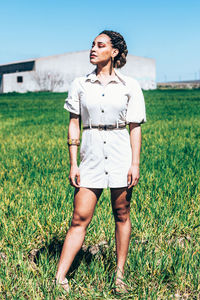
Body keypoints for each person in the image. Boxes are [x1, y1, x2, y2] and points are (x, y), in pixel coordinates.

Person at [55, 30, 146, 293]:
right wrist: (74, 163)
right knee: (79, 217)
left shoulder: (130, 86)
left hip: (120, 153)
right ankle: (59, 278)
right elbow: (74, 124)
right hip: (91, 153)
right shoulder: (80, 84)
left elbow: (135, 127)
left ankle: (119, 277)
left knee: (122, 214)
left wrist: (135, 164)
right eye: (93, 44)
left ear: (114, 52)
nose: (93, 49)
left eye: (100, 45)